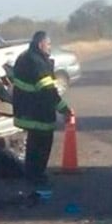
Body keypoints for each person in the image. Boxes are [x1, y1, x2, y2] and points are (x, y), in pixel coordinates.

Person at [12, 31, 74, 188]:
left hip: (26, 110)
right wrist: (65, 109)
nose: (50, 48)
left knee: (33, 144)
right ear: (40, 45)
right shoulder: (38, 62)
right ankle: (37, 176)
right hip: (38, 112)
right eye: (48, 44)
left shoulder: (25, 56)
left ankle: (31, 174)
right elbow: (48, 92)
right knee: (42, 145)